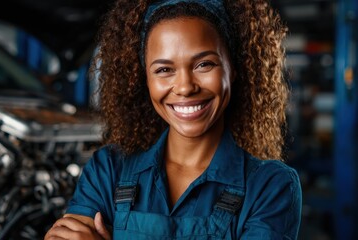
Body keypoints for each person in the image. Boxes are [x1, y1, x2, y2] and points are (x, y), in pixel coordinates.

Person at [44, 0, 302, 239]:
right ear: (144, 78)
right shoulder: (108, 170)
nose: (185, 87)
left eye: (204, 65)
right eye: (164, 70)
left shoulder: (271, 187)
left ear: (233, 69)